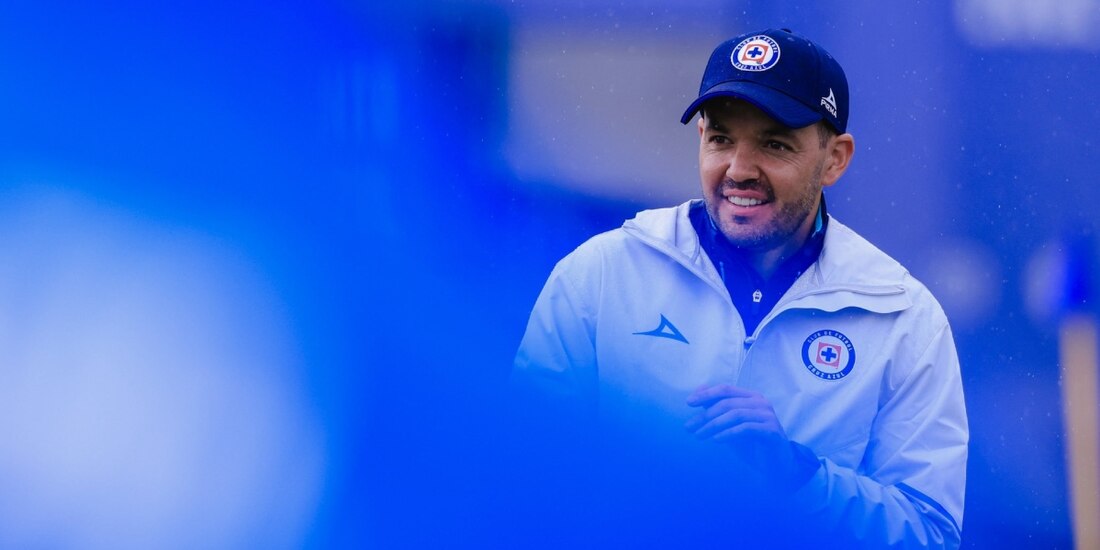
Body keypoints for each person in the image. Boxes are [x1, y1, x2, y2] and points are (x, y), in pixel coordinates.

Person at [511, 28, 968, 548]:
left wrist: (798, 474)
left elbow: (930, 535)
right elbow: (517, 478)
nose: (739, 170)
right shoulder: (599, 275)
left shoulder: (904, 317)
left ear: (835, 159)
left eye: (774, 144)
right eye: (721, 139)